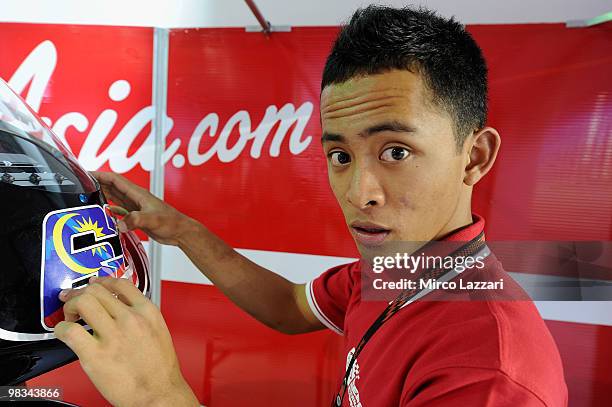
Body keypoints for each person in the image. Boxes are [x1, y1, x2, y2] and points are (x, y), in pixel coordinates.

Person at [55, 5, 568, 406]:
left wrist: (156, 395)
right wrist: (183, 229)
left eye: (396, 151)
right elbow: (289, 307)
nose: (358, 191)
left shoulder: (488, 371)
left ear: (473, 158)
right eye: (340, 155)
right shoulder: (398, 267)